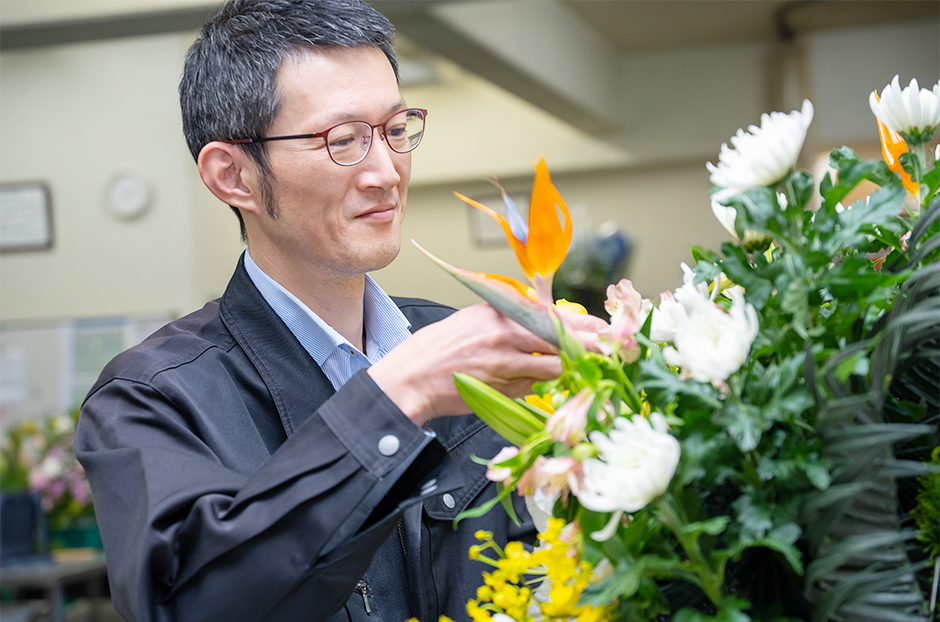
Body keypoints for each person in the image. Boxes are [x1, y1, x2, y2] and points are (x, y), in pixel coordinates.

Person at [75, 1, 603, 620]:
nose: (386, 173)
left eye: (396, 129)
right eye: (343, 140)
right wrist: (399, 395)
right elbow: (190, 603)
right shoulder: (153, 398)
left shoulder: (465, 345)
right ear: (233, 176)